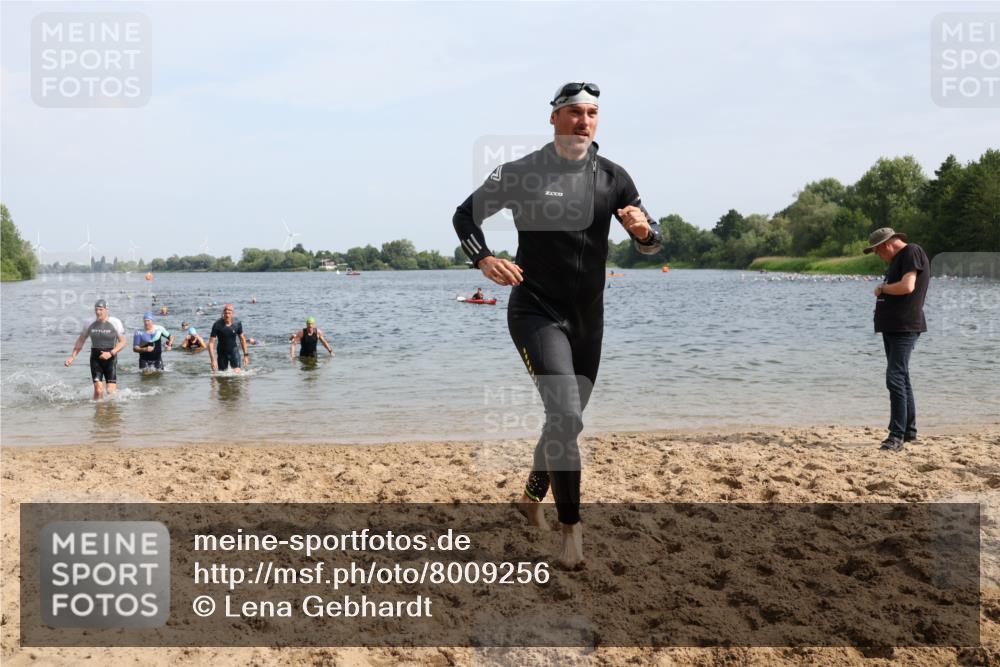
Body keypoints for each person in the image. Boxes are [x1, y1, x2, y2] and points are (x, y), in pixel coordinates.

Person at [452, 81, 662, 567]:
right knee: (565, 414)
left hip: (589, 318)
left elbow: (654, 241)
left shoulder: (613, 177)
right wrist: (483, 259)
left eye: (591, 113)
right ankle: (571, 531)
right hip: (536, 310)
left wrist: (644, 233)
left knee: (567, 419)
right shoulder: (523, 172)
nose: (583, 120)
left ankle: (529, 498)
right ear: (554, 119)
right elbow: (466, 216)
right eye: (573, 112)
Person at [865, 227, 930, 452]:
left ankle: (896, 436)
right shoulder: (899, 259)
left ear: (886, 244)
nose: (878, 256)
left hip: (904, 327)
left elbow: (907, 286)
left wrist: (882, 288)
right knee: (902, 377)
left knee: (894, 378)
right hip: (894, 327)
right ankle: (909, 432)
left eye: (877, 251)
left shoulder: (912, 251)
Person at [64, 299, 127, 399]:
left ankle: (111, 413)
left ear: (107, 310)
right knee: (98, 391)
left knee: (111, 392)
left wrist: (110, 353)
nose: (98, 312)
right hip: (95, 358)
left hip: (110, 358)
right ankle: (98, 412)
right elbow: (81, 340)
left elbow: (123, 342)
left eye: (101, 309)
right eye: (96, 310)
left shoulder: (115, 322)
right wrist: (72, 356)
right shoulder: (89, 322)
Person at [208, 304, 249, 372]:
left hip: (234, 351)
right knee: (222, 375)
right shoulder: (217, 325)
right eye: (226, 313)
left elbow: (242, 339)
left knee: (237, 372)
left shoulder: (237, 323)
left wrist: (246, 355)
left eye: (229, 313)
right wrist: (213, 360)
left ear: (232, 313)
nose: (227, 315)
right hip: (222, 353)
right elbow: (211, 343)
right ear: (223, 313)